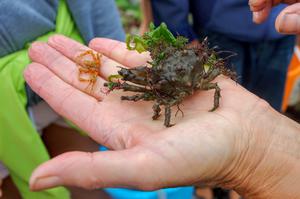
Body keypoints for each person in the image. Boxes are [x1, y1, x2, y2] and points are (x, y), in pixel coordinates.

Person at [23, 0, 300, 198]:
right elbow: (146, 88)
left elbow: (205, 88)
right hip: (217, 33)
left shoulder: (195, 81)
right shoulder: (198, 75)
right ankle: (216, 191)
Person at [0, 0, 124, 198]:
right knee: (26, 184)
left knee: (87, 177)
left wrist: (115, 54)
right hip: (7, 110)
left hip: (70, 70)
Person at [147, 0, 295, 113]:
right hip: (217, 30)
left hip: (282, 26)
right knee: (218, 108)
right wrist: (179, 30)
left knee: (269, 107)